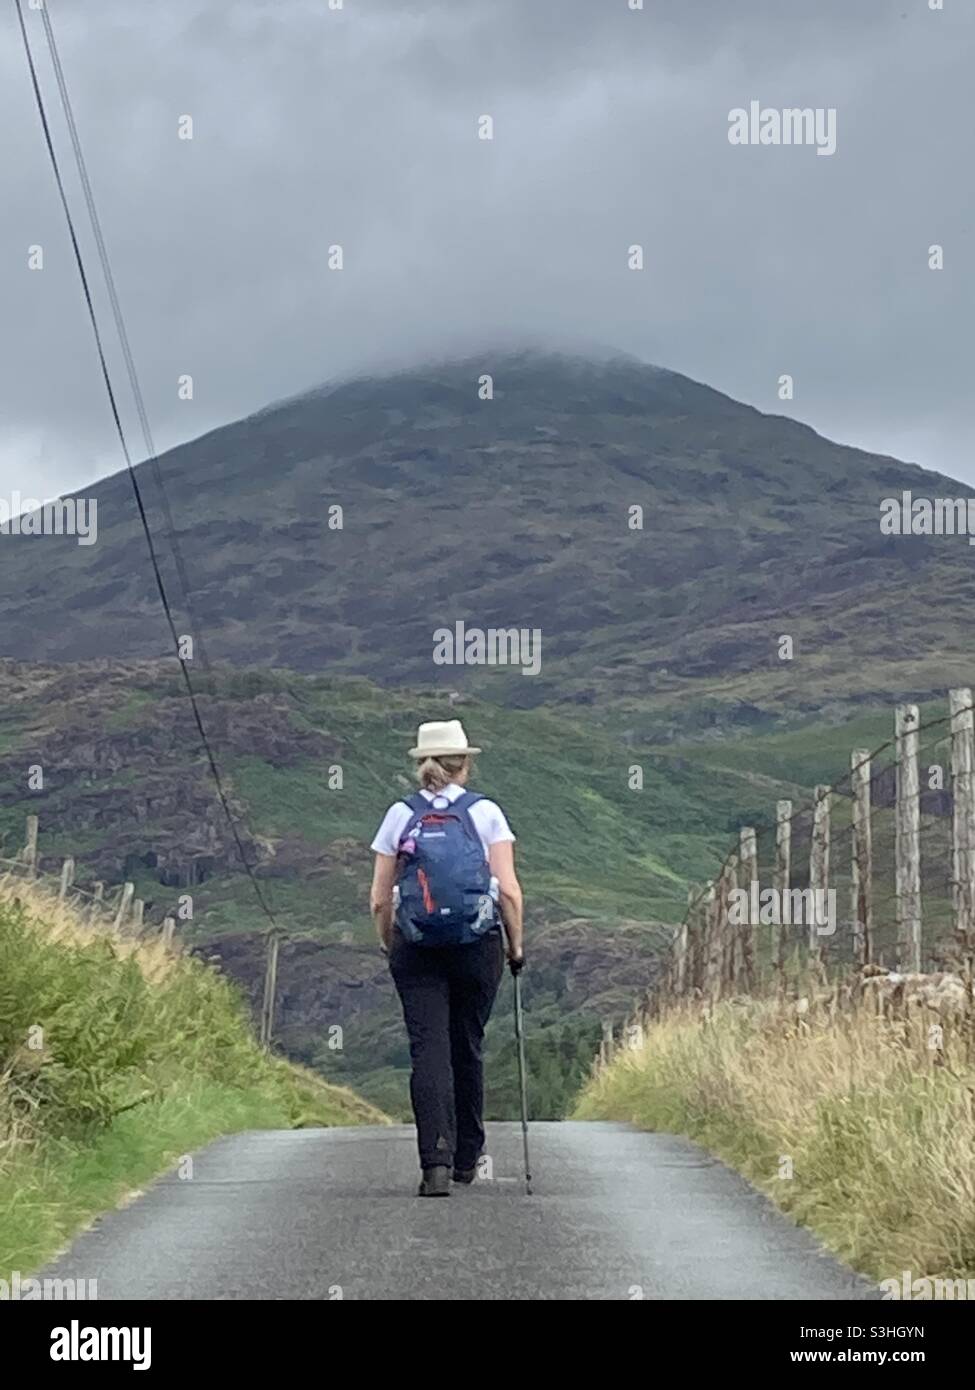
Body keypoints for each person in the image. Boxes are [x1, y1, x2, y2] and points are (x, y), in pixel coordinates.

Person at [369, 719, 524, 1197]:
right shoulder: (486, 814)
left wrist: (388, 940)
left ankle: (433, 1162)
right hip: (478, 945)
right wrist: (515, 947)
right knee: (466, 1043)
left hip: (415, 946)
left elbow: (379, 898)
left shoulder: (399, 815)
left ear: (421, 765)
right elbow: (510, 892)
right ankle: (466, 1157)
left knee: (428, 1049)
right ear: (466, 764)